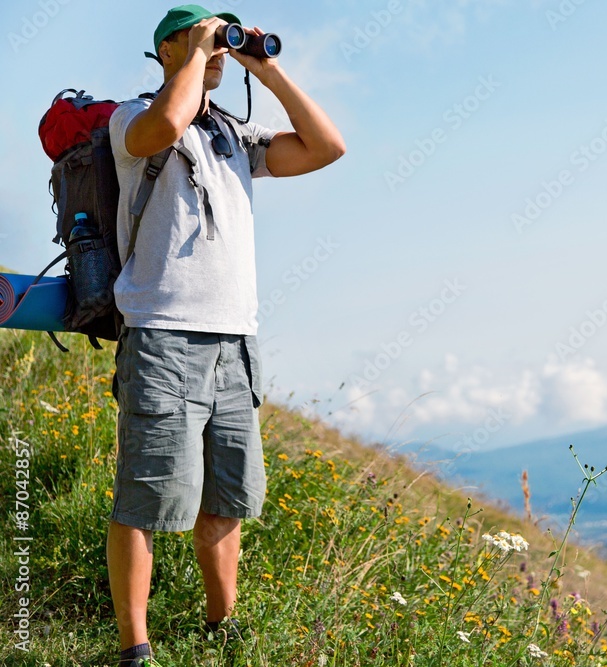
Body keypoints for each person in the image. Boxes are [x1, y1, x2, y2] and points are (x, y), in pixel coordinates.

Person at [106, 5, 345, 666]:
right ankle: (135, 646)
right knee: (146, 498)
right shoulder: (130, 117)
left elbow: (327, 146)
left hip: (235, 344)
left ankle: (222, 625)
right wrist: (196, 54)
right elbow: (165, 124)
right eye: (207, 37)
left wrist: (265, 68)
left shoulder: (235, 134)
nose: (220, 49)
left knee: (228, 497)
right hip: (163, 337)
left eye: (223, 38)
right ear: (167, 49)